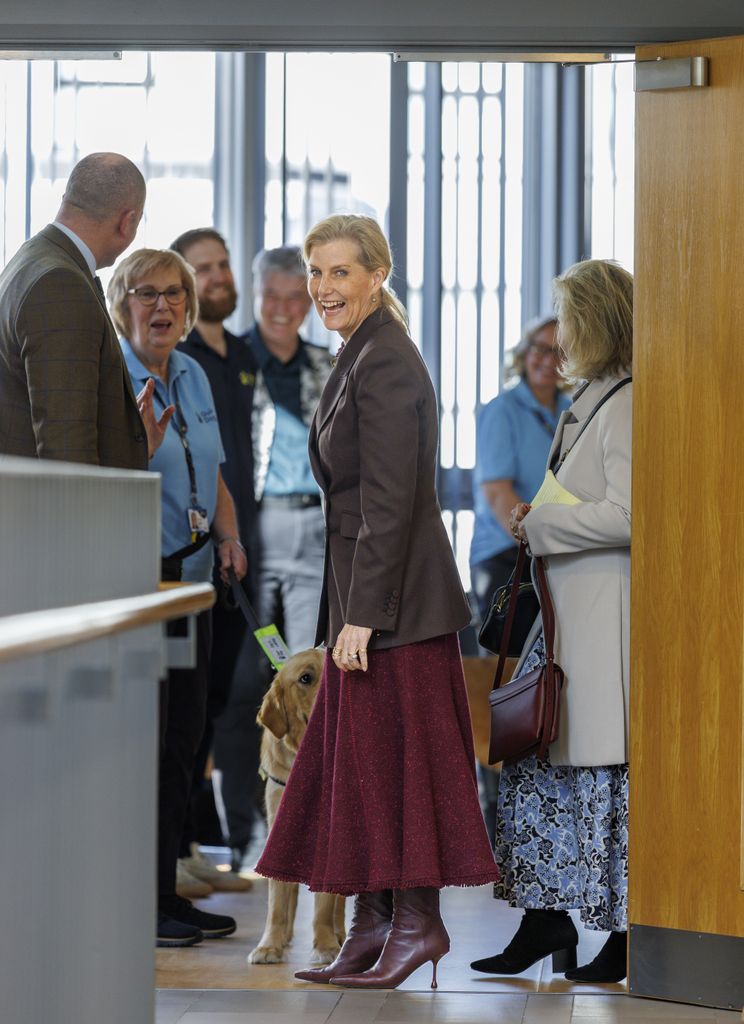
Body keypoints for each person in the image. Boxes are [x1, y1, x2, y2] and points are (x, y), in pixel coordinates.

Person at [255, 214, 499, 990]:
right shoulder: (358, 352)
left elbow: (393, 502)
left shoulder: (386, 360)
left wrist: (362, 616)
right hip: (368, 600)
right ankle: (371, 923)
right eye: (316, 273)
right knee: (362, 768)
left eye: (339, 273)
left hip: (395, 610)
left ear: (377, 275)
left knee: (398, 770)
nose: (324, 289)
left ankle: (416, 924)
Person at [471, 258, 633, 984]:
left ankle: (620, 933)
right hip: (567, 615)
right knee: (536, 767)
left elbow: (631, 514)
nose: (558, 334)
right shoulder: (594, 395)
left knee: (593, 779)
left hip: (599, 619)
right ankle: (545, 921)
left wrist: (543, 527)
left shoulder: (627, 402)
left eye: (567, 318)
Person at [108, 248, 248, 948]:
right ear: (120, 304)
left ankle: (166, 891)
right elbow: (99, 489)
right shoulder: (111, 378)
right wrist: (137, 449)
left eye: (173, 295)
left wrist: (230, 538)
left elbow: (214, 469)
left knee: (185, 743)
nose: (160, 307)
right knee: (146, 744)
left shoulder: (191, 371)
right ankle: (139, 898)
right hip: (140, 585)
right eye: (145, 294)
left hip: (195, 584)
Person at [226, 245, 331, 870]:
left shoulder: (327, 363)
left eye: (299, 298)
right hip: (253, 533)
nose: (286, 310)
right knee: (246, 685)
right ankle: (246, 833)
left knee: (309, 685)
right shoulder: (235, 359)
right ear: (257, 297)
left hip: (313, 532)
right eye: (275, 298)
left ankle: (309, 826)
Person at [170, 227, 256, 894]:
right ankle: (175, 846)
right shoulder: (178, 353)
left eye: (224, 264)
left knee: (212, 698)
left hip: (232, 553)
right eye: (205, 268)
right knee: (187, 708)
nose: (219, 276)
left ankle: (190, 843)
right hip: (181, 563)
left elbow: (224, 464)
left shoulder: (230, 358)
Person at [0, 151, 170, 468]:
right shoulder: (61, 282)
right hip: (55, 513)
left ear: (67, 198)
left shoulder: (32, 257)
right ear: (128, 221)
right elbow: (67, 450)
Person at [470, 316, 571, 624]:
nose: (547, 360)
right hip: (507, 553)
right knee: (514, 663)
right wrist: (533, 543)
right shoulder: (502, 410)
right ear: (525, 353)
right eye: (540, 349)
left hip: (550, 550)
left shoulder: (571, 410)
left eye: (559, 351)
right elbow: (498, 493)